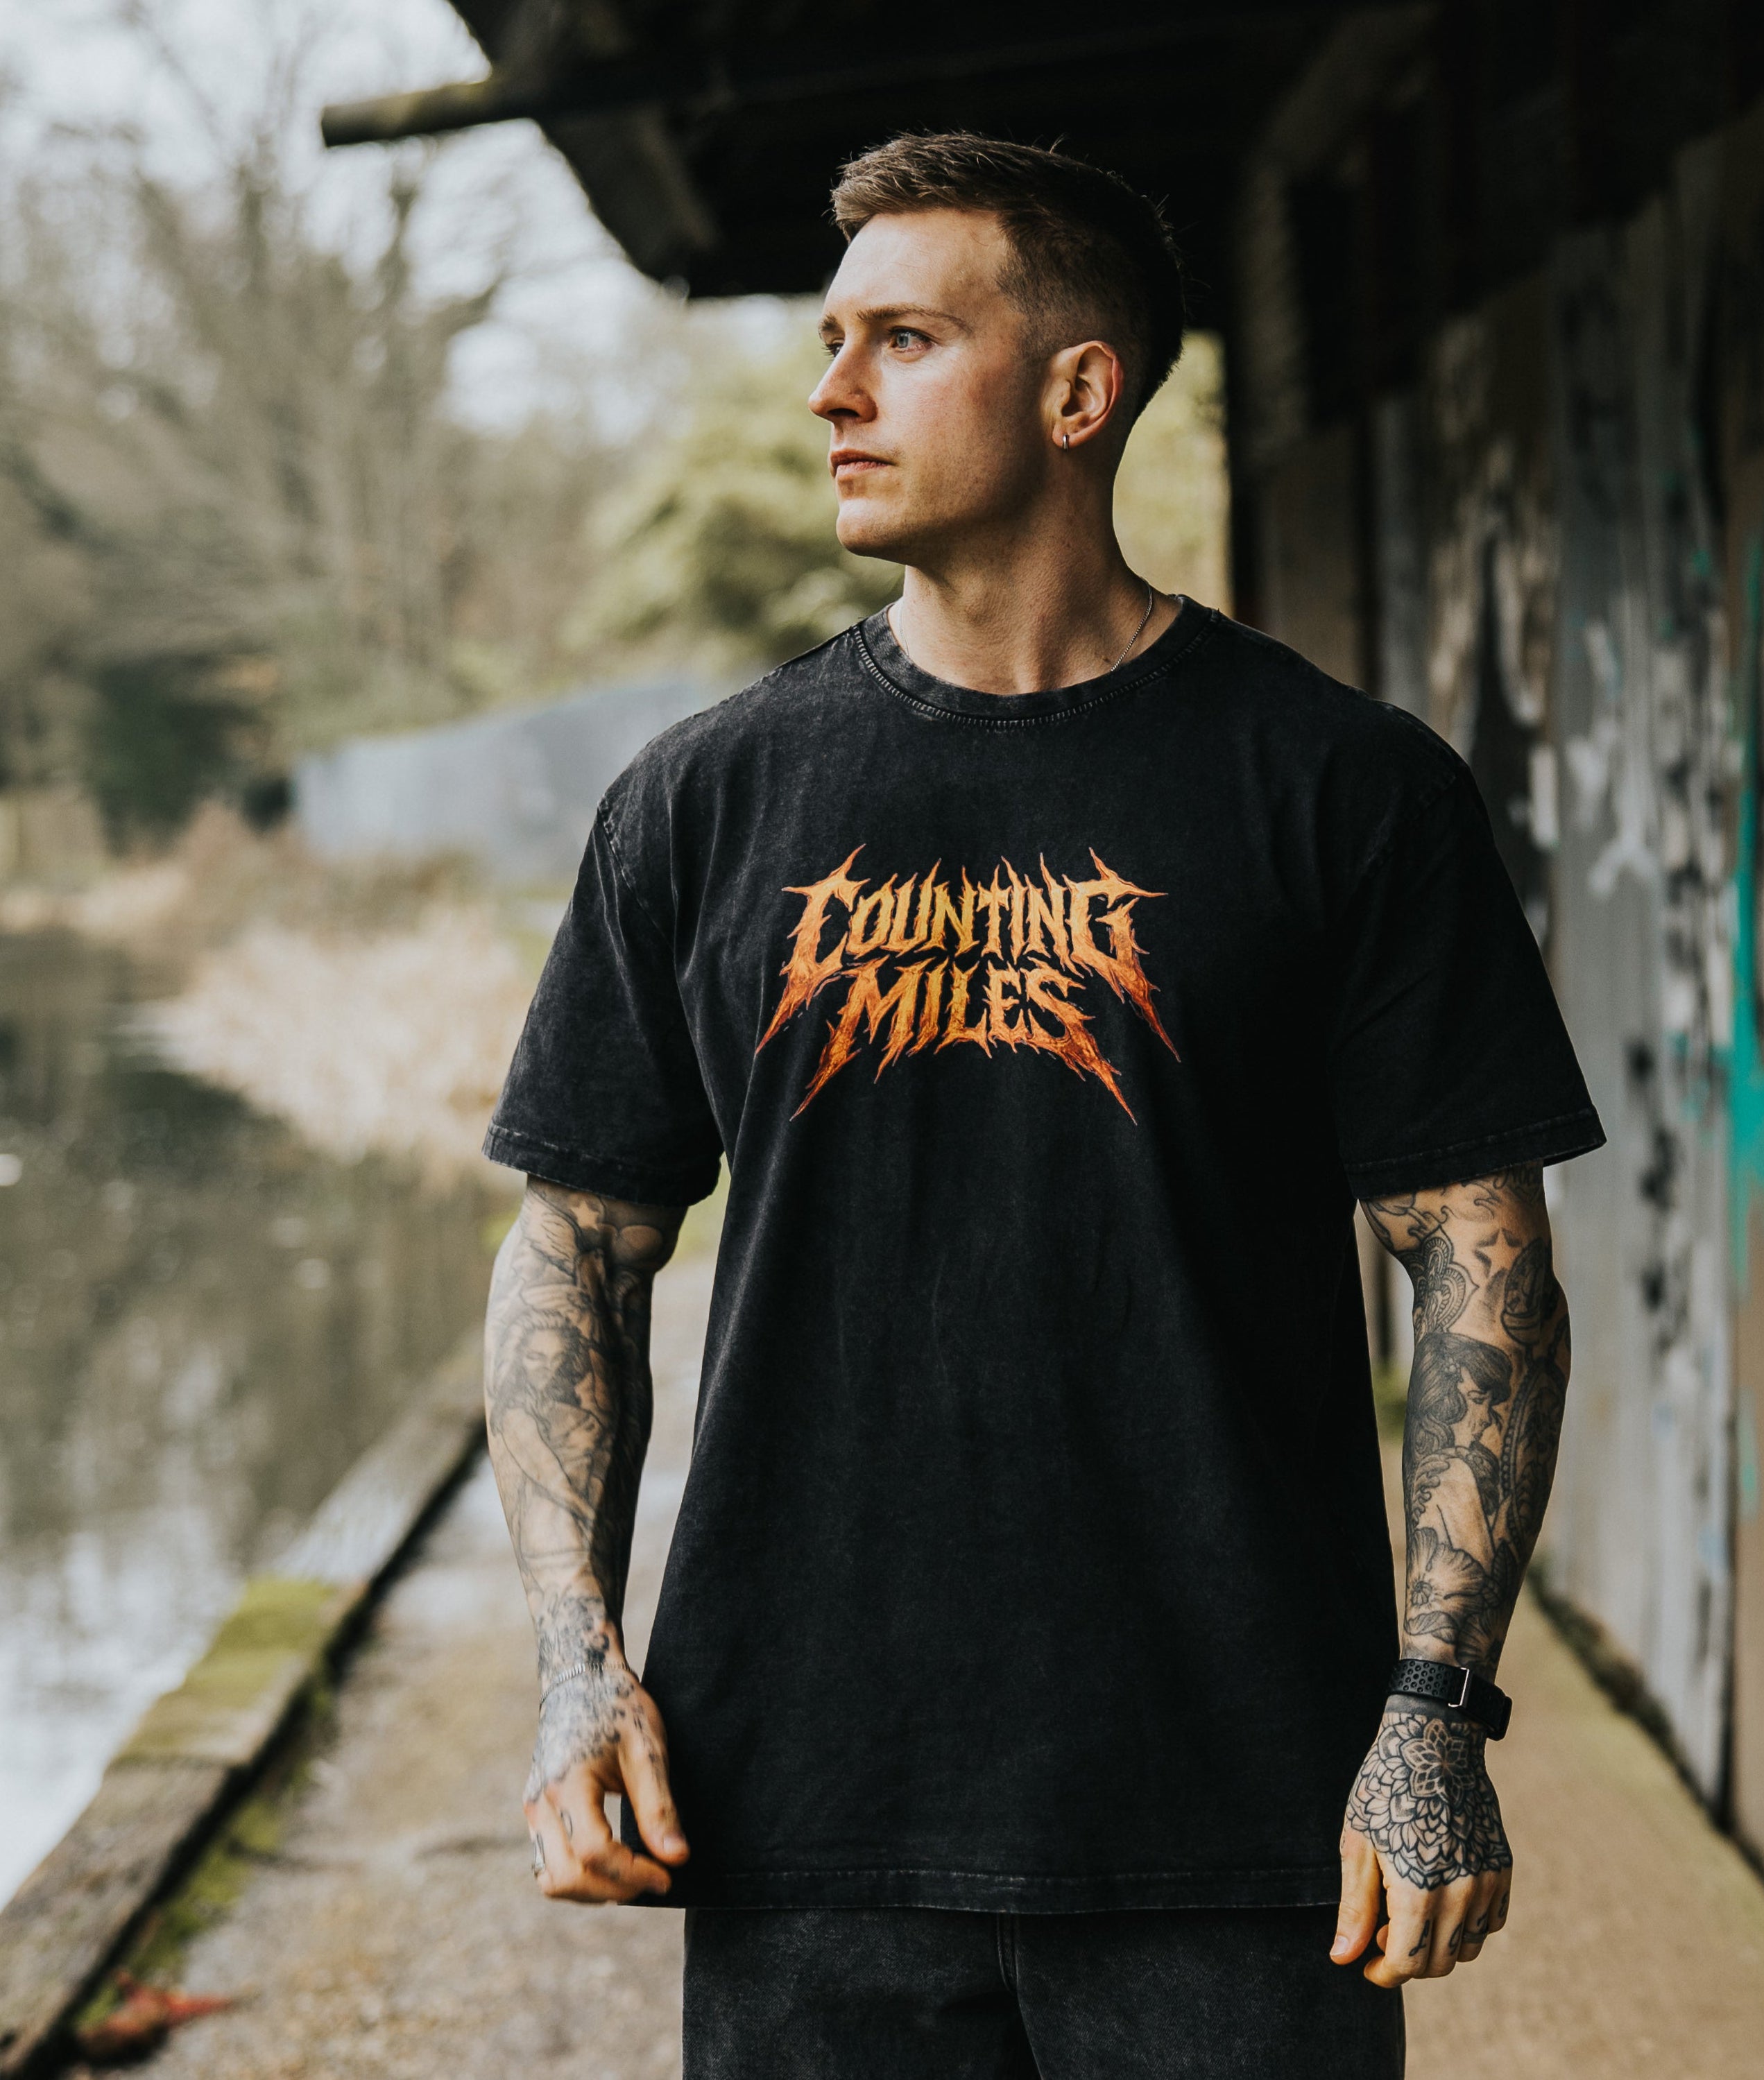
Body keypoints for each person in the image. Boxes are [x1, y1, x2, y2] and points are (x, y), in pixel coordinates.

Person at [481, 131, 1603, 2080]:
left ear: (1081, 392)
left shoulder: (1344, 791)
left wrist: (1436, 1714)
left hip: (1240, 1820)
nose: (832, 393)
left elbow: (1484, 1266)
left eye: (904, 340)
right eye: (831, 341)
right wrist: (580, 1665)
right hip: (799, 1811)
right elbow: (575, 1246)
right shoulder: (700, 804)